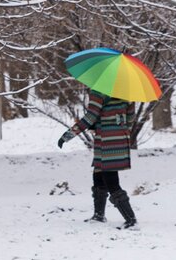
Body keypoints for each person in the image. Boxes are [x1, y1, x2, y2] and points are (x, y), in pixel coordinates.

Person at [57, 90, 137, 229]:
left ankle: (131, 219)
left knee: (110, 180)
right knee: (98, 176)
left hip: (106, 140)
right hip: (118, 138)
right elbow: (130, 118)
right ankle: (99, 215)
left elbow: (90, 117)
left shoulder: (99, 91)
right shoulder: (126, 90)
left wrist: (68, 135)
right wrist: (117, 128)